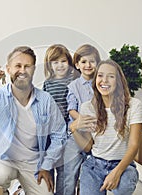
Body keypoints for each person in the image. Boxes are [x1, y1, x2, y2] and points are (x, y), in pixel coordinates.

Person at [0, 46, 67, 195]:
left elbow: (59, 134)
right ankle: (12, 189)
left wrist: (46, 165)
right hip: (3, 158)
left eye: (27, 66)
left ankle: (18, 191)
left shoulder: (45, 100)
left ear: (33, 70)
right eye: (18, 66)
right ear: (8, 69)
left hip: (33, 163)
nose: (22, 70)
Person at [70, 59, 142, 195]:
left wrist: (116, 172)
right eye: (100, 75)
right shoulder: (87, 107)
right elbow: (88, 147)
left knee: (123, 186)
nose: (104, 80)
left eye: (111, 76)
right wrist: (73, 129)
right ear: (95, 80)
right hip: (94, 165)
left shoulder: (133, 105)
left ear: (118, 81)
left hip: (123, 165)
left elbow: (134, 145)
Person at [63, 44, 101, 195]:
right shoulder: (73, 86)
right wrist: (83, 121)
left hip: (96, 134)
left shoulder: (101, 84)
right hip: (76, 134)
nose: (88, 65)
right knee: (70, 173)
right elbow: (71, 109)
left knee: (91, 173)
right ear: (77, 65)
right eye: (84, 62)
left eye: (92, 61)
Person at [42, 44, 79, 194]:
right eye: (55, 62)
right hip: (50, 132)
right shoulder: (47, 83)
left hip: (68, 130)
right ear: (49, 65)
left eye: (63, 61)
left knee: (64, 169)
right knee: (48, 163)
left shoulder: (73, 82)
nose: (60, 65)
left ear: (69, 62)